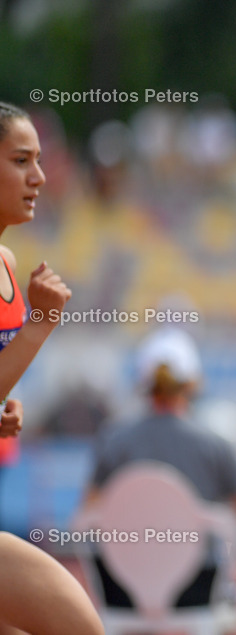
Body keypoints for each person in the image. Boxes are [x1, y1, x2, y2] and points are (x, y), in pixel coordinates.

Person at [0, 102, 103, 635]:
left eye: (40, 160)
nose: (39, 176)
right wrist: (39, 324)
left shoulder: (9, 264)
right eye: (21, 160)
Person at [84, 326, 236, 608]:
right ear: (192, 382)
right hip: (196, 590)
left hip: (121, 590)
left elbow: (88, 514)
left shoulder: (113, 440)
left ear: (142, 381)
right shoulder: (215, 444)